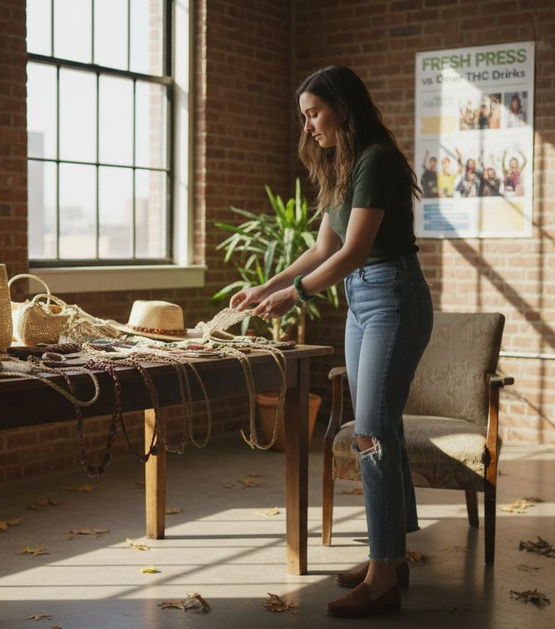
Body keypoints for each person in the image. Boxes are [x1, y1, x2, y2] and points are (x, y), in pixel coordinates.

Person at [229, 65, 432, 619]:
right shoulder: (342, 166)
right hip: (361, 303)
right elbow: (324, 249)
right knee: (381, 428)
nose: (309, 126)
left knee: (368, 431)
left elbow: (356, 251)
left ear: (343, 108)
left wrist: (294, 296)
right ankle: (390, 558)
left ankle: (383, 574)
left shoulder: (376, 160)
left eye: (314, 113)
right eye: (304, 116)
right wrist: (265, 286)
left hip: (393, 295)